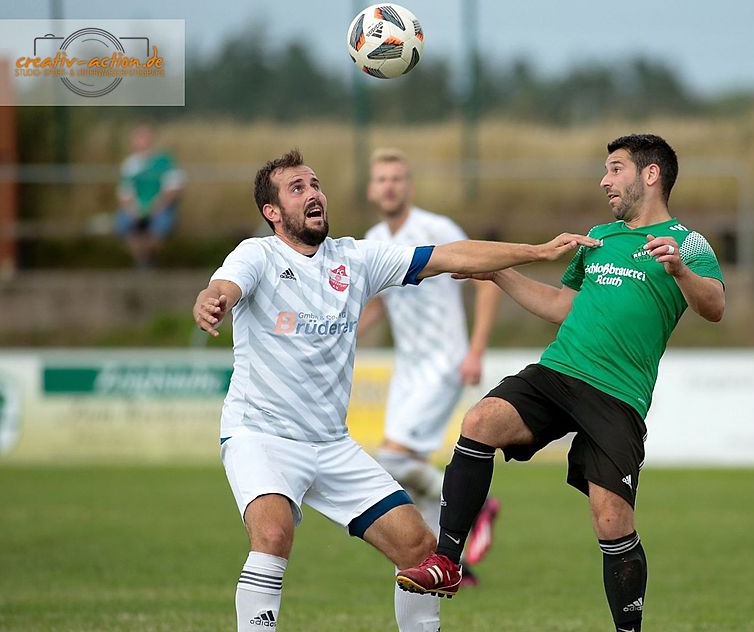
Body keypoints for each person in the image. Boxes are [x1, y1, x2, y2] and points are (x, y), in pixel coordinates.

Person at [192, 149, 598, 632]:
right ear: (272, 213)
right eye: (297, 188)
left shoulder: (356, 258)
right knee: (274, 534)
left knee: (421, 549)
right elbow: (223, 287)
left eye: (316, 184)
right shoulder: (256, 254)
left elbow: (454, 256)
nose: (314, 194)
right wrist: (213, 301)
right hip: (260, 436)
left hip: (331, 444)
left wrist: (537, 252)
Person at [397, 134, 725, 632]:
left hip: (618, 397)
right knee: (481, 419)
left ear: (650, 174)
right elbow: (562, 306)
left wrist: (679, 269)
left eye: (615, 169)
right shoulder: (599, 237)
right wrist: (499, 275)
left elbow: (715, 306)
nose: (604, 180)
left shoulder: (687, 242)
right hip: (559, 372)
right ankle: (447, 560)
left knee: (612, 521)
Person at [359, 148, 502, 586]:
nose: (389, 186)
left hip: (445, 361)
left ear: (409, 186)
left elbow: (487, 281)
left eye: (396, 178)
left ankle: (474, 504)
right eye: (381, 179)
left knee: (390, 459)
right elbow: (379, 302)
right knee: (408, 471)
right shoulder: (372, 237)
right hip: (408, 367)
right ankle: (449, 564)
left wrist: (475, 350)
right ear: (371, 189)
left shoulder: (437, 229)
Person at [115, 124, 183, 268]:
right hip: (137, 208)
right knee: (123, 224)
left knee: (160, 225)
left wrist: (156, 208)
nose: (141, 142)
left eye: (143, 138)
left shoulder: (165, 161)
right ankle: (142, 260)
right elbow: (124, 193)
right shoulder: (130, 164)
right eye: (138, 138)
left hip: (160, 207)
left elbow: (172, 190)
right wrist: (131, 209)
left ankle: (150, 259)